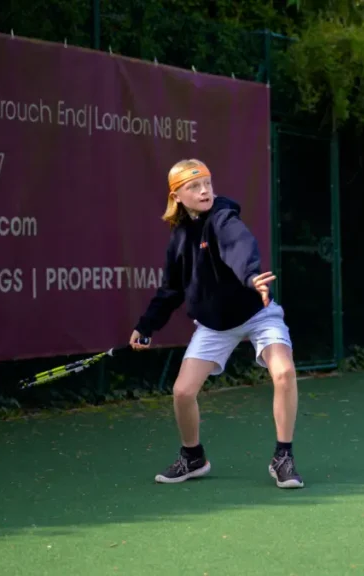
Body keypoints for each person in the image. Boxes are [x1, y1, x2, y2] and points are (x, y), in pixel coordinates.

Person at [129, 158, 303, 489]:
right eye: (194, 186)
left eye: (207, 183)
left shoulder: (223, 217)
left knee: (283, 372)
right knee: (182, 392)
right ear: (177, 195)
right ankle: (193, 457)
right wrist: (146, 325)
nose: (204, 190)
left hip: (257, 314)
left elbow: (238, 245)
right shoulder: (179, 239)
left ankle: (283, 456)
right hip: (214, 325)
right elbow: (171, 290)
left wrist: (252, 277)